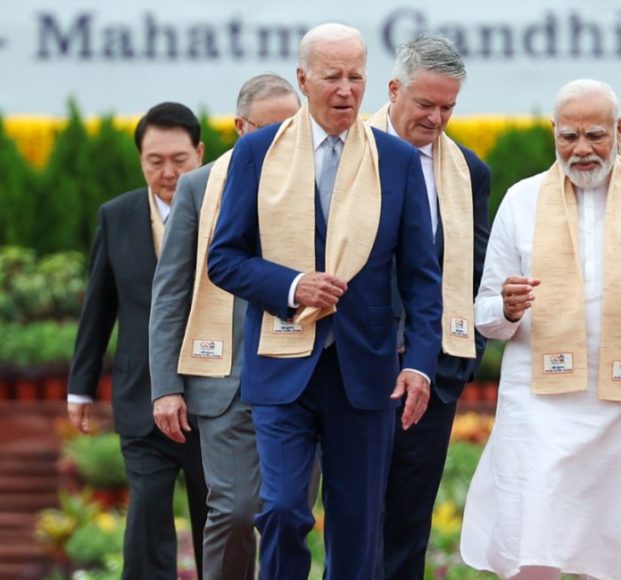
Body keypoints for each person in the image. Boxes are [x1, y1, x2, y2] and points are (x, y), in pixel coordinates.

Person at [207, 23, 443, 580]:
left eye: (355, 77)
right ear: (303, 79)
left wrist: (419, 365)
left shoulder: (396, 160)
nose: (345, 90)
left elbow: (421, 278)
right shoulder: (257, 152)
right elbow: (224, 258)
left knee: (358, 526)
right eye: (332, 77)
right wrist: (292, 287)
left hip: (365, 369)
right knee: (282, 510)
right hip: (281, 364)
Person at [460, 79, 621, 580]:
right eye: (568, 137)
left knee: (620, 550)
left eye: (595, 136)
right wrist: (507, 309)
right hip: (540, 406)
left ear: (620, 131)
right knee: (534, 539)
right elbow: (485, 315)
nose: (581, 149)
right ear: (553, 133)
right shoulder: (521, 201)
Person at [148, 73, 300, 580]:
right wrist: (166, 387)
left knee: (288, 514)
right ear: (240, 127)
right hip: (224, 377)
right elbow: (171, 292)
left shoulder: (320, 182)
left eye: (293, 128)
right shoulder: (199, 186)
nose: (282, 140)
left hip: (298, 375)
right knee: (234, 510)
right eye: (268, 129)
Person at [363, 36, 491, 580]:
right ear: (394, 90)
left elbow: (479, 269)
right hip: (356, 366)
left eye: (447, 108)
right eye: (425, 104)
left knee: (408, 524)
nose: (436, 119)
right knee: (353, 519)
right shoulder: (349, 154)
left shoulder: (469, 170)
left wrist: (462, 357)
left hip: (433, 373)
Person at [67, 102, 209, 579]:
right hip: (141, 395)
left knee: (217, 517)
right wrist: (80, 387)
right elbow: (98, 307)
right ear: (141, 161)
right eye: (155, 161)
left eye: (179, 160)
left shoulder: (225, 209)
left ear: (199, 154)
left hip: (211, 393)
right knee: (146, 512)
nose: (168, 172)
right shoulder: (118, 215)